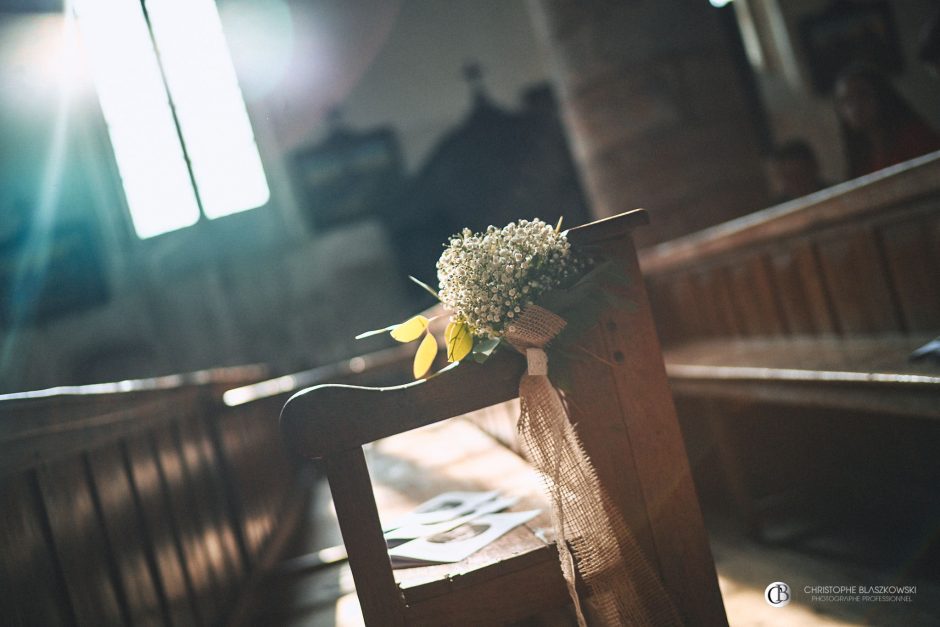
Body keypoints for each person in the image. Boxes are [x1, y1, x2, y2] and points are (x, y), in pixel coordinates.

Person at [834, 65, 940, 179]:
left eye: (862, 94)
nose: (855, 107)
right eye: (847, 100)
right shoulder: (859, 160)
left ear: (881, 95)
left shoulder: (916, 136)